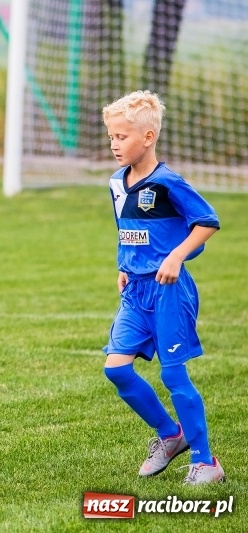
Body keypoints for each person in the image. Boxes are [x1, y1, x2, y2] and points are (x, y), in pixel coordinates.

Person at [101, 90, 224, 485]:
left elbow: (207, 222)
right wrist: (124, 265)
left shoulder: (168, 183)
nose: (114, 144)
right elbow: (127, 230)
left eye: (122, 137)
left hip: (169, 290)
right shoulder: (116, 182)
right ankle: (171, 435)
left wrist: (176, 257)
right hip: (135, 290)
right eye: (111, 136)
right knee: (116, 370)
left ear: (148, 137)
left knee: (173, 375)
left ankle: (206, 462)